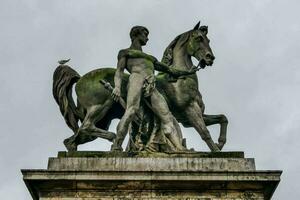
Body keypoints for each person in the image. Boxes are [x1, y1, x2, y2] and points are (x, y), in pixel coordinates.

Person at [111, 26, 196, 151]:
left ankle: (178, 148)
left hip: (151, 84)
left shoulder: (151, 58)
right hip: (136, 79)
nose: (147, 38)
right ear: (136, 35)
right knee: (131, 111)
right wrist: (117, 87)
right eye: (145, 34)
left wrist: (187, 72)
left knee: (166, 115)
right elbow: (119, 71)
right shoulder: (125, 52)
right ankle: (117, 146)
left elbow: (169, 70)